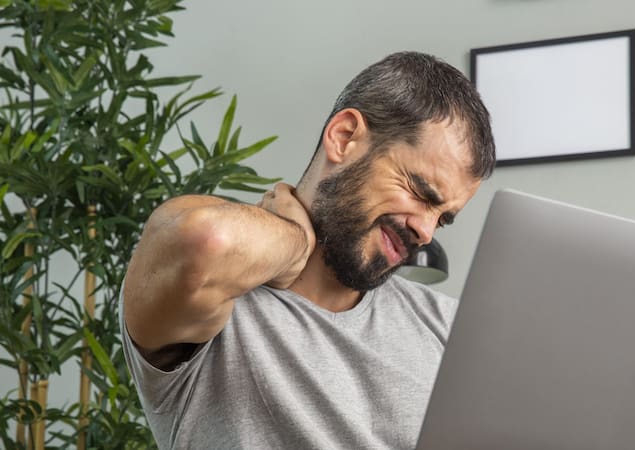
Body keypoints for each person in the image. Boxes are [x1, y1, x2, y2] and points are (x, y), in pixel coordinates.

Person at [121, 51, 495, 449]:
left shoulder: (444, 324)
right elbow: (206, 241)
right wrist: (297, 239)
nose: (425, 231)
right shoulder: (218, 297)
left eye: (442, 218)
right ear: (344, 137)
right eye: (420, 192)